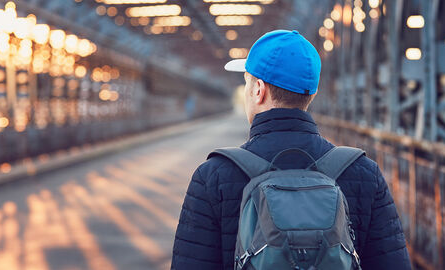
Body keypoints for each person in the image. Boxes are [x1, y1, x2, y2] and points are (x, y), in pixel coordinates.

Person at [171, 30, 412, 270]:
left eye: (246, 82)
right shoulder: (364, 174)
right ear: (313, 93)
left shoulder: (213, 177)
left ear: (258, 89)